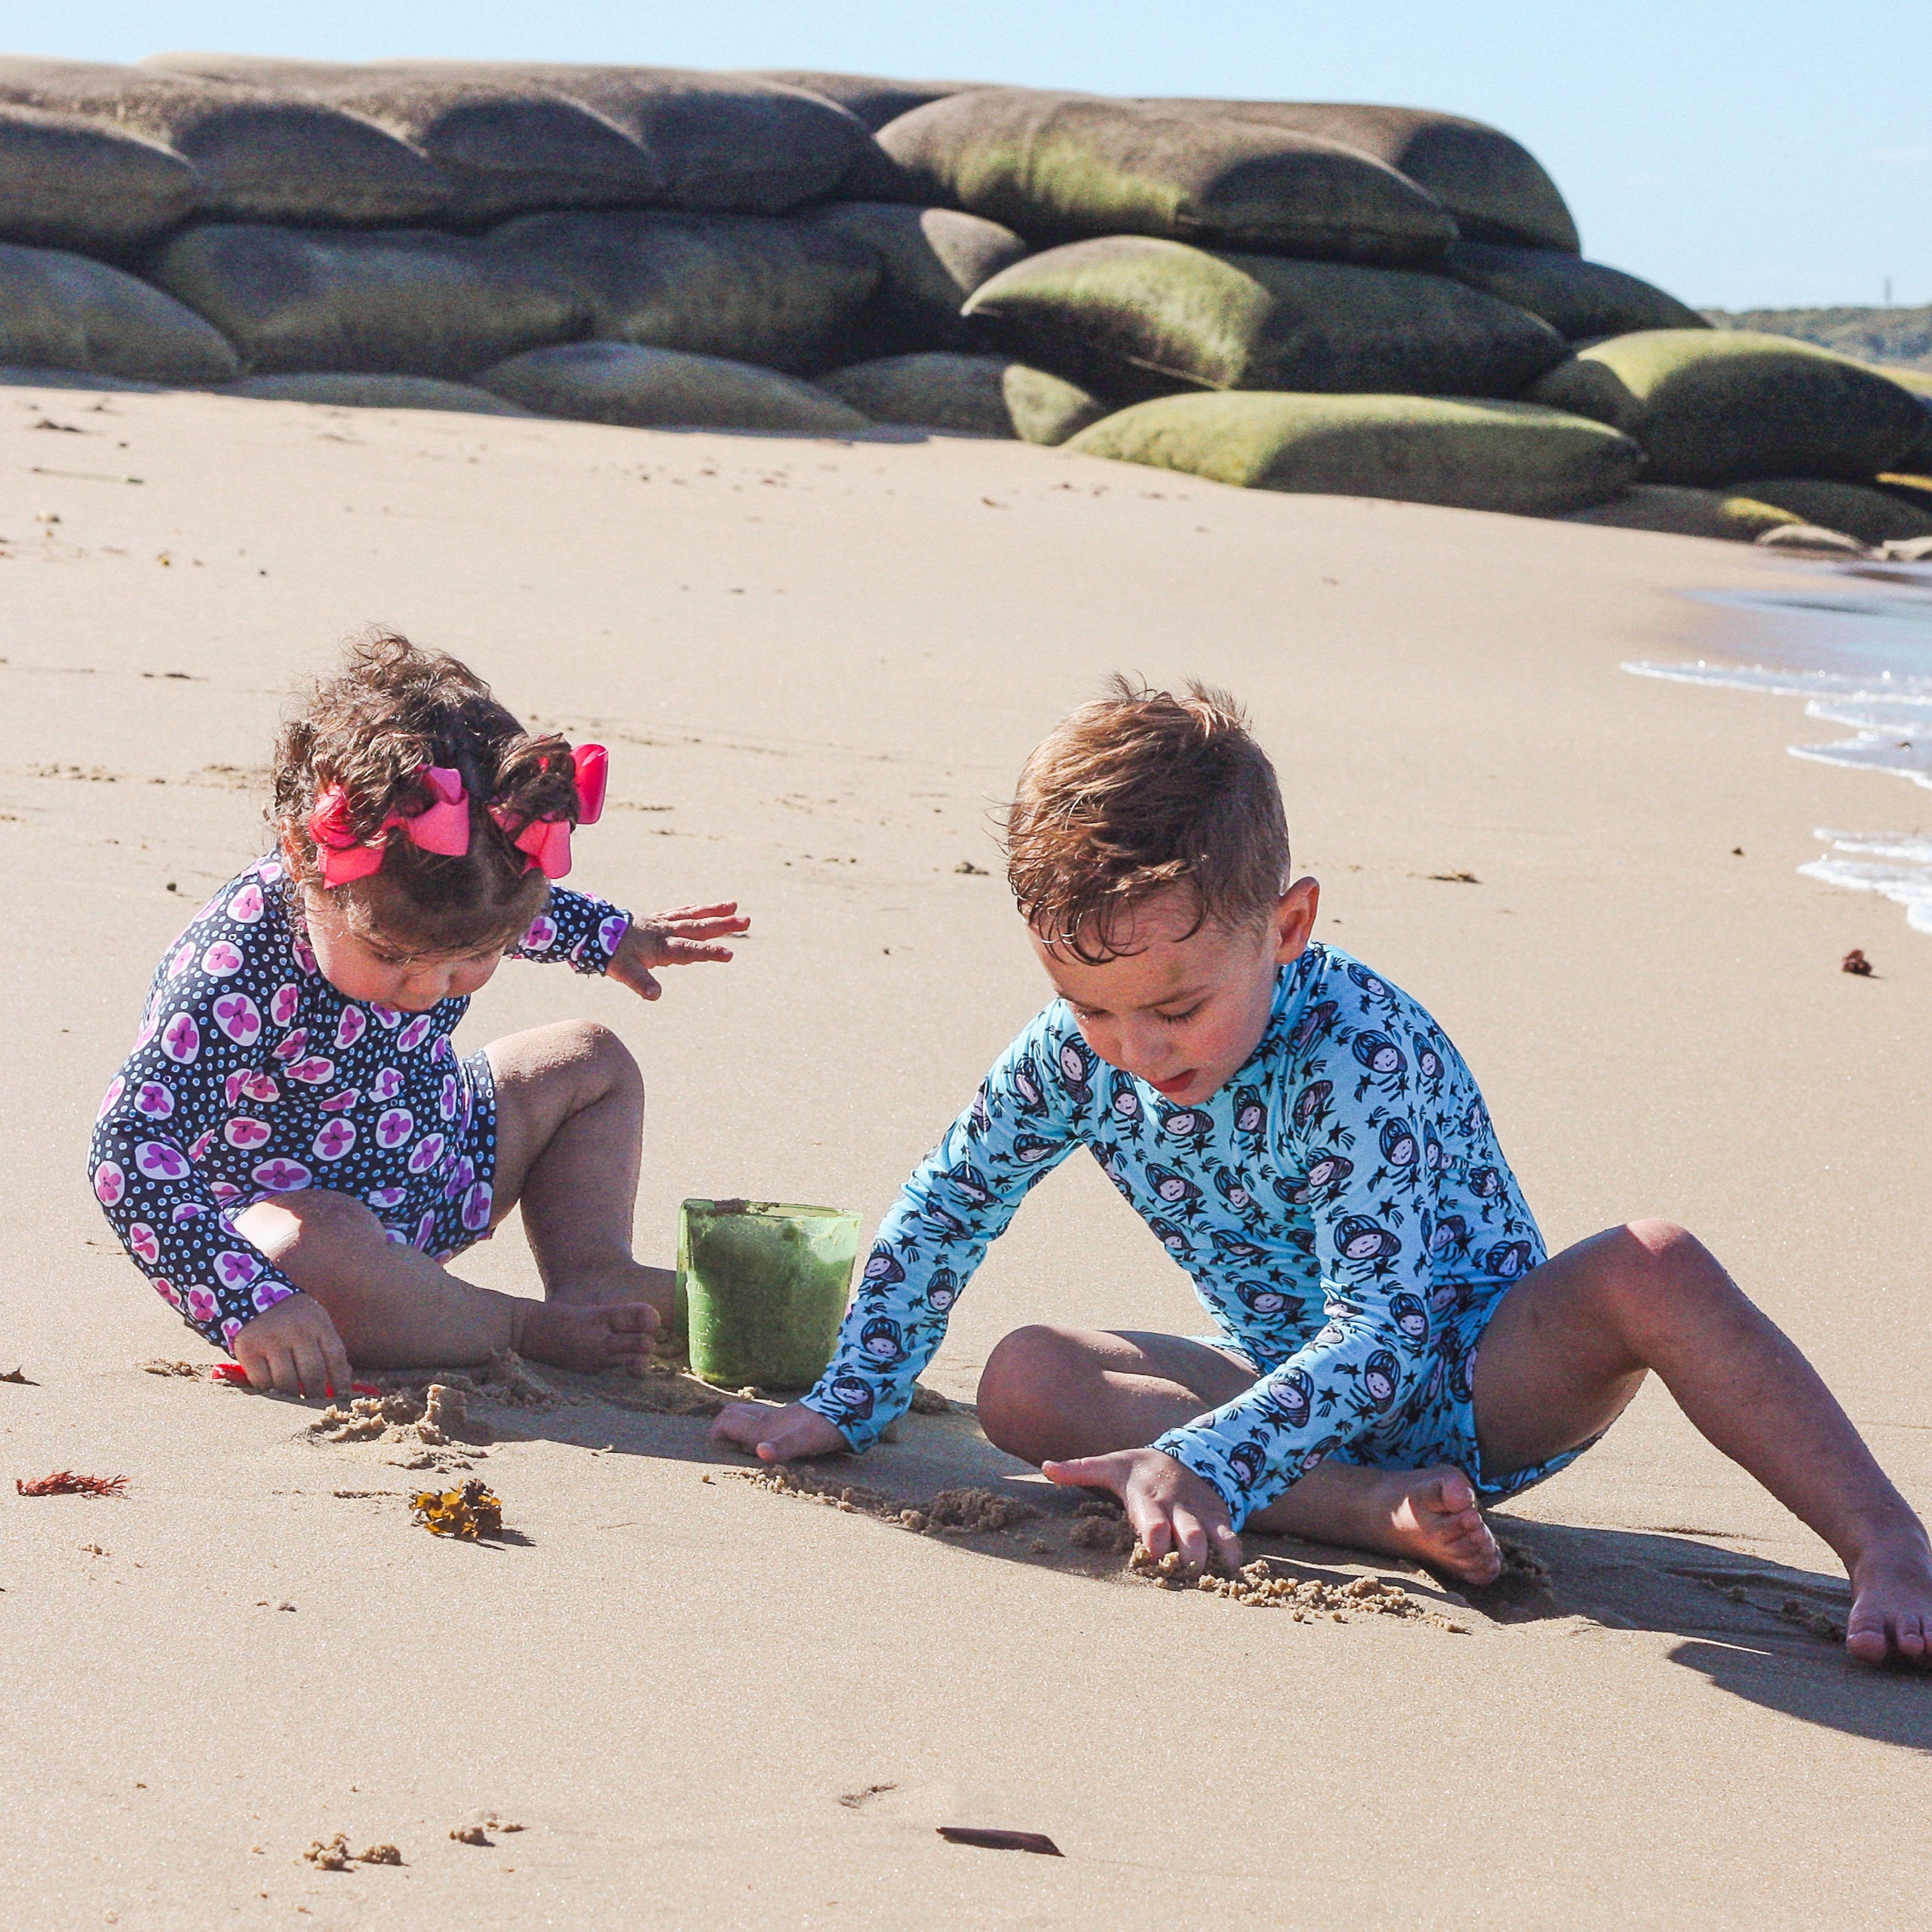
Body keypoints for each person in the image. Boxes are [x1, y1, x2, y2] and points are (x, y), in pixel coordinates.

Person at [714, 677, 1932, 1668]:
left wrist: (1213, 1458)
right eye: (1087, 1005)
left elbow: (1393, 1327)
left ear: (1284, 928)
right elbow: (951, 1200)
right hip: (1294, 1404)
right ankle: (1367, 1511)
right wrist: (852, 1394)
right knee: (1028, 1378)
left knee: (1652, 1262)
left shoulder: (1351, 1051)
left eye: (1177, 1008)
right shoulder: (1073, 1059)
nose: (1135, 1051)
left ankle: (1884, 1540)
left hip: (1480, 1374)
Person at [91, 631, 746, 1399]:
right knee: (317, 1246)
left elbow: (494, 909)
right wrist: (251, 1303)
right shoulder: (238, 964)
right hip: (302, 1241)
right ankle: (516, 1326)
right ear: (306, 865)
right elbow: (129, 1145)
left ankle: (592, 1271)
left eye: (468, 959)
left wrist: (610, 935)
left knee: (589, 1060)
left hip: (446, 1159)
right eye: (393, 958)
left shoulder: (451, 889)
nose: (427, 987)